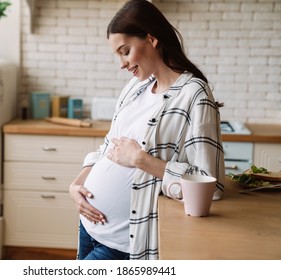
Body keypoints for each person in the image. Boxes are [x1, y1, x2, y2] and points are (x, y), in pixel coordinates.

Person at [69, 0, 225, 260]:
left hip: (124, 243)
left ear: (152, 39)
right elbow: (109, 146)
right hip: (89, 227)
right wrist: (78, 183)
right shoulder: (135, 88)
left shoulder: (194, 95)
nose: (121, 63)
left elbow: (212, 185)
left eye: (125, 51)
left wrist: (141, 160)